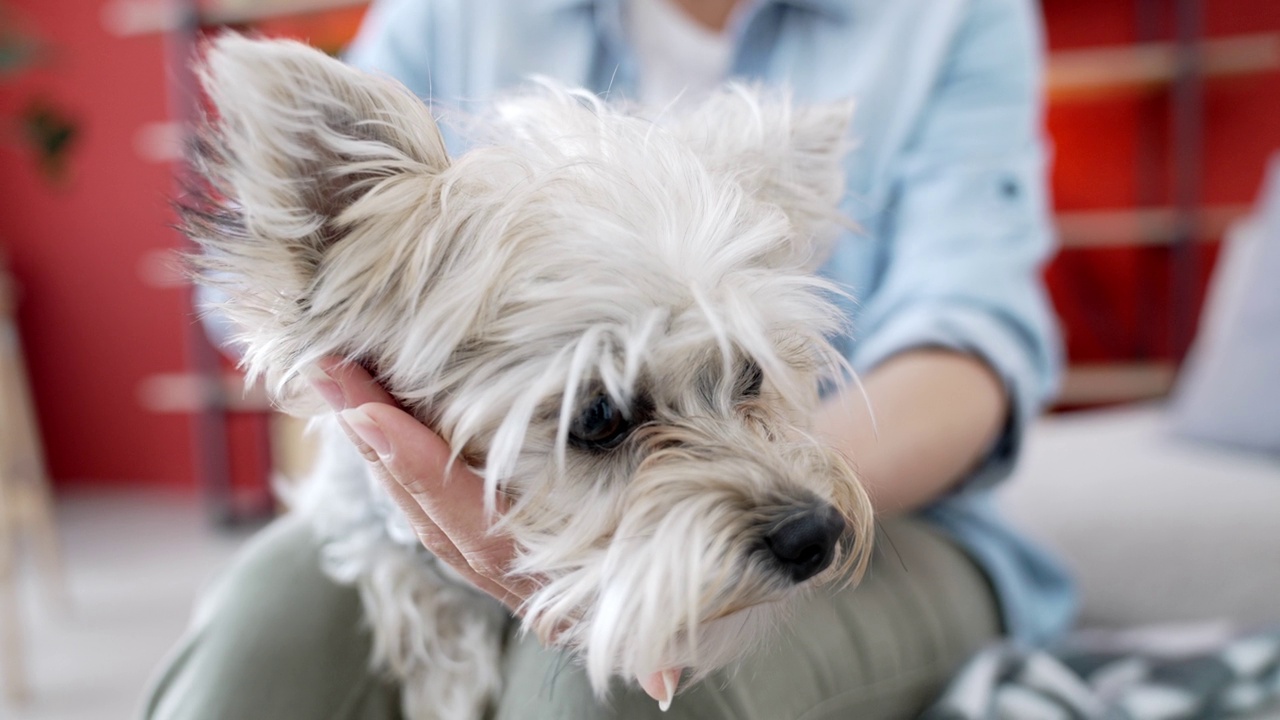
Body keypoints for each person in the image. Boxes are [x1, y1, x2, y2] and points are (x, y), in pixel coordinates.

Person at [143, 0, 1075, 717]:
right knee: (258, 642)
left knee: (611, 687)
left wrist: (786, 489)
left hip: (905, 518)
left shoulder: (948, 16)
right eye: (603, 418)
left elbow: (970, 350)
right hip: (410, 520)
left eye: (748, 376)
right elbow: (259, 297)